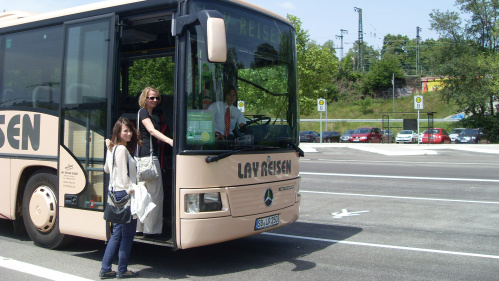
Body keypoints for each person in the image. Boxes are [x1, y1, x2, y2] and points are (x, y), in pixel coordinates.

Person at [100, 117, 140, 279]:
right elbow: (124, 177)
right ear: (118, 132)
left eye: (130, 130)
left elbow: (106, 169)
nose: (129, 133)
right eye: (125, 131)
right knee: (128, 235)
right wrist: (134, 190)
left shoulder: (113, 148)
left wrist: (109, 150)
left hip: (114, 194)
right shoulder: (122, 150)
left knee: (116, 233)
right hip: (124, 195)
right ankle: (122, 270)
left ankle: (106, 268)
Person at [136, 87, 173, 237]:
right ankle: (151, 230)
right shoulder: (144, 112)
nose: (155, 100)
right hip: (149, 159)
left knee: (142, 196)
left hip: (142, 159)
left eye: (157, 98)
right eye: (151, 98)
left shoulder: (147, 114)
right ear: (145, 98)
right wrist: (170, 141)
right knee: (155, 195)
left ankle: (139, 228)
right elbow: (151, 131)